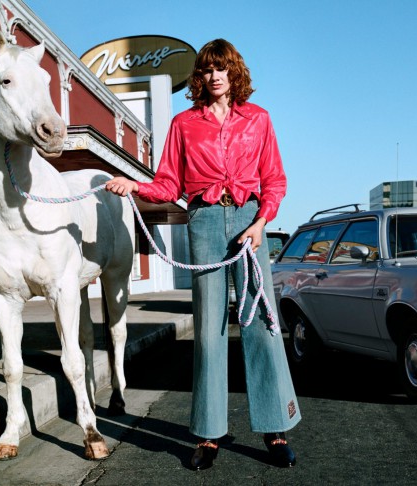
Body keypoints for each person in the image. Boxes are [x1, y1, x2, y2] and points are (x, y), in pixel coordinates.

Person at [106, 39, 300, 469]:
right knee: (209, 329)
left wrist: (260, 223)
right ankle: (209, 435)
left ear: (234, 72)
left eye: (222, 68)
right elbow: (168, 185)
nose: (215, 76)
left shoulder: (259, 119)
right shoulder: (184, 124)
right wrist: (134, 186)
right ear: (200, 76)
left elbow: (275, 179)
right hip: (205, 223)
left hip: (249, 221)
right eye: (208, 69)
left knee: (261, 322)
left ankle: (275, 428)